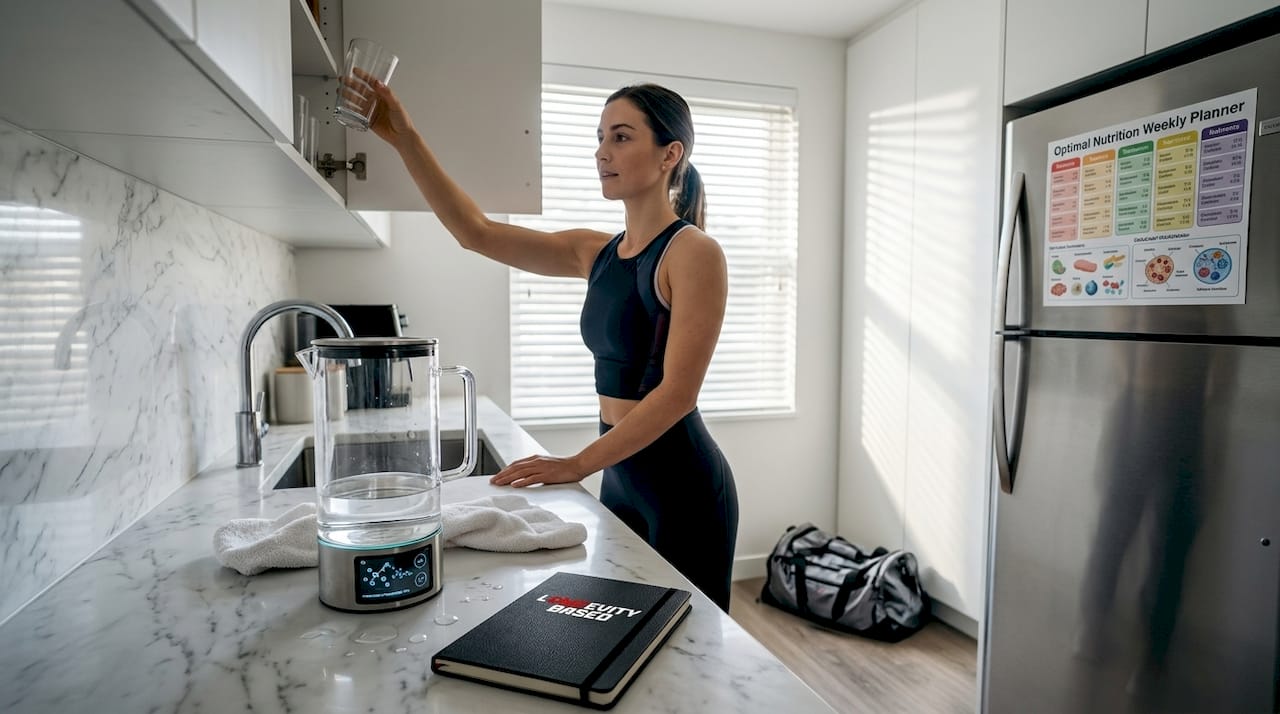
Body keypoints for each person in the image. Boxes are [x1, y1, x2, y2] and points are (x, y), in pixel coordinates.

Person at [361, 78, 740, 610]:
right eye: (601, 137)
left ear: (669, 154)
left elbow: (677, 394)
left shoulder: (693, 252)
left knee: (696, 645)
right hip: (623, 476)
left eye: (622, 137)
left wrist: (577, 463)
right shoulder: (597, 252)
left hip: (684, 485)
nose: (602, 152)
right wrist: (405, 138)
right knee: (628, 629)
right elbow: (476, 233)